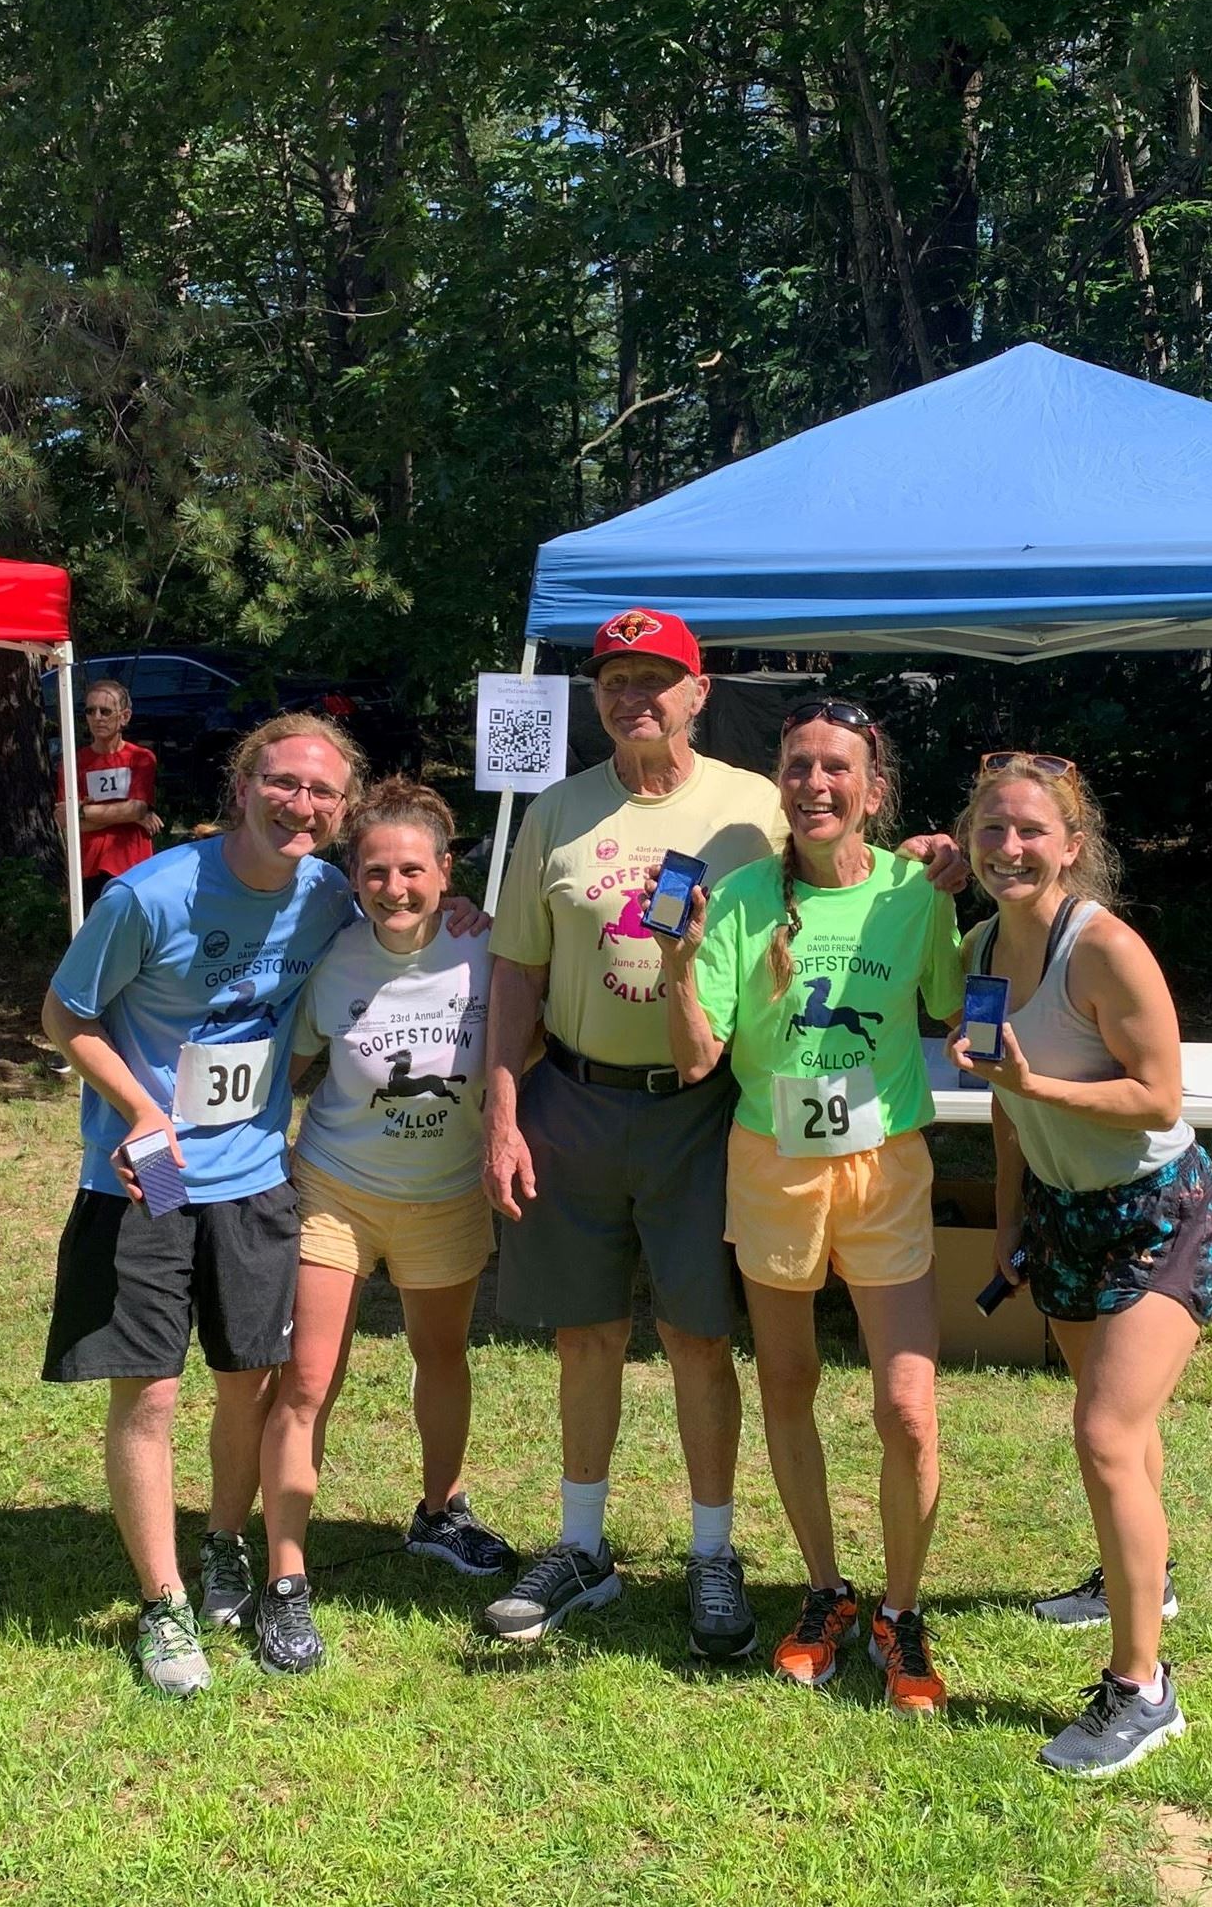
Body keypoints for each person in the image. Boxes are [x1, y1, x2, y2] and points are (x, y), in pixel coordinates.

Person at [39, 711, 367, 1698]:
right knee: (151, 1391)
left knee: (248, 1382)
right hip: (149, 1174)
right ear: (243, 783)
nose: (299, 804)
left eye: (321, 791)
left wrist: (462, 924)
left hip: (256, 1174)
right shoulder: (150, 896)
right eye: (283, 782)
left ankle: (226, 1543)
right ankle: (165, 1605)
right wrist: (141, 1113)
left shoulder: (328, 896)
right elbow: (64, 1016)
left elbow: (392, 941)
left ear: (342, 810)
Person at [480, 608, 784, 1655]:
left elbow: (835, 900)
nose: (633, 696)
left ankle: (711, 1555)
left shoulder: (755, 811)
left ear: (699, 694)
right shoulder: (557, 812)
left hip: (702, 1111)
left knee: (700, 1336)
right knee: (585, 1333)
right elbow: (516, 971)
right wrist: (504, 1112)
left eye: (657, 678)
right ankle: (582, 1550)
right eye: (614, 679)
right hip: (574, 1096)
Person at [662, 699, 963, 1715]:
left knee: (907, 1411)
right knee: (786, 1385)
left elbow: (959, 1008)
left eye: (837, 768)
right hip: (772, 1162)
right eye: (799, 768)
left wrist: (969, 883)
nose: (816, 785)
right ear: (780, 782)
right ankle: (827, 1591)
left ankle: (902, 1609)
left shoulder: (913, 892)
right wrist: (675, 966)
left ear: (874, 789)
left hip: (884, 1166)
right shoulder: (741, 897)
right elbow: (697, 1058)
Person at [946, 751, 1212, 1777]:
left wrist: (1041, 1087)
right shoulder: (979, 947)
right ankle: (1135, 1584)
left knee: (1105, 1433)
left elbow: (1158, 1098)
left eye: (1031, 830)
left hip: (1162, 1212)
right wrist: (1010, 1221)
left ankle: (1143, 1689)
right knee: (1125, 1431)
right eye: (992, 829)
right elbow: (1002, 1102)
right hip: (1065, 1213)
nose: (1009, 847)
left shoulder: (1105, 951)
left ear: (1072, 846)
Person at [258, 778, 514, 1674]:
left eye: (413, 869)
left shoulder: (488, 954)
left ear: (447, 873)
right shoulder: (333, 963)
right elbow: (289, 1072)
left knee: (441, 1354)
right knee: (307, 1378)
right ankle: (285, 1575)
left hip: (445, 1196)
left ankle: (441, 1512)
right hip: (337, 1189)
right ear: (353, 877)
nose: (394, 888)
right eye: (376, 871)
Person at [59, 678, 163, 910]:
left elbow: (136, 807)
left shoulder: (141, 758)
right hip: (88, 867)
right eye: (90, 710)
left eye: (105, 711)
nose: (97, 717)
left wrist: (82, 812)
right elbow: (65, 821)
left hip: (133, 866)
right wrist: (129, 816)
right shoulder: (73, 762)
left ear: (124, 717)